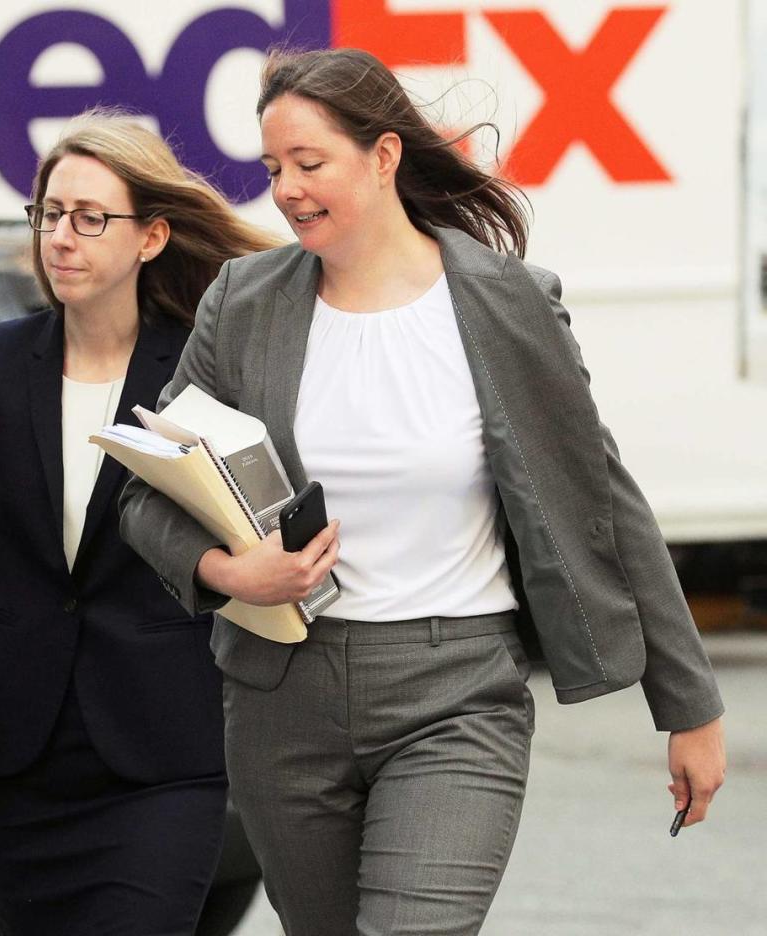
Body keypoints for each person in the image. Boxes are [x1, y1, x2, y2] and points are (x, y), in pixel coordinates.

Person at [119, 48, 727, 936]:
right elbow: (147, 491)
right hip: (282, 699)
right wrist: (226, 571)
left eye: (310, 163)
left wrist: (689, 706)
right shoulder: (245, 302)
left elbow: (603, 501)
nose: (285, 190)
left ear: (385, 156)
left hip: (456, 694)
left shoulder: (506, 304)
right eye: (273, 168)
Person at [0, 109, 279, 936]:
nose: (61, 236)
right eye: (49, 214)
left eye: (90, 217)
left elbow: (243, 528)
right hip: (21, 764)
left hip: (162, 757)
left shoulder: (198, 370)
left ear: (153, 237)